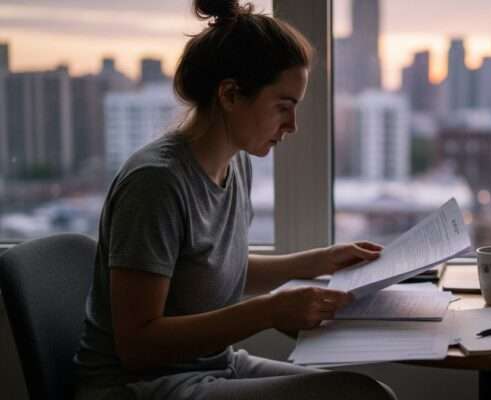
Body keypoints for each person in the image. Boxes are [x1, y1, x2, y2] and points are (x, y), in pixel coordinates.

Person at [73, 1, 396, 399]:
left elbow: (211, 269)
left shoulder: (235, 164)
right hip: (137, 386)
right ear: (229, 94)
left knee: (370, 393)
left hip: (211, 366)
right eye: (283, 107)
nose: (292, 126)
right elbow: (137, 345)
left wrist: (320, 261)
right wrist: (269, 311)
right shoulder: (155, 184)